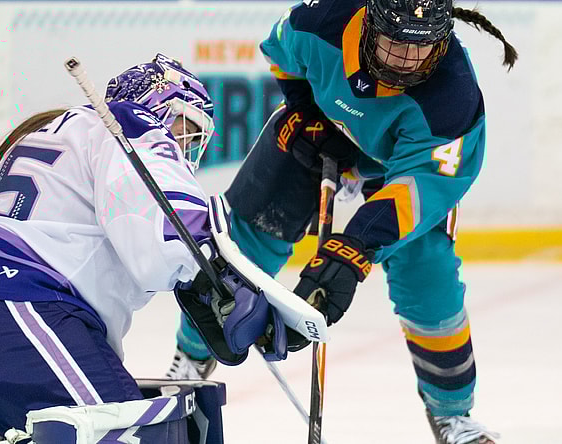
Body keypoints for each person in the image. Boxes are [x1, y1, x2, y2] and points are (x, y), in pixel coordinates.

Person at [167, 1, 517, 443]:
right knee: (243, 246)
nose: (408, 62)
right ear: (369, 25)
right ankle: (190, 360)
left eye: (422, 48)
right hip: (323, 133)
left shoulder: (453, 99)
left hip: (401, 167)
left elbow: (417, 189)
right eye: (395, 43)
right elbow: (281, 54)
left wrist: (353, 251)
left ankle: (454, 417)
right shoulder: (322, 21)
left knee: (429, 279)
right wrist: (308, 113)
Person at [0, 53, 282, 444]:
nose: (185, 147)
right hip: (11, 310)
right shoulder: (130, 122)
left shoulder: (49, 136)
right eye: (186, 129)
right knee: (125, 433)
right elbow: (170, 228)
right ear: (157, 107)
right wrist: (227, 281)